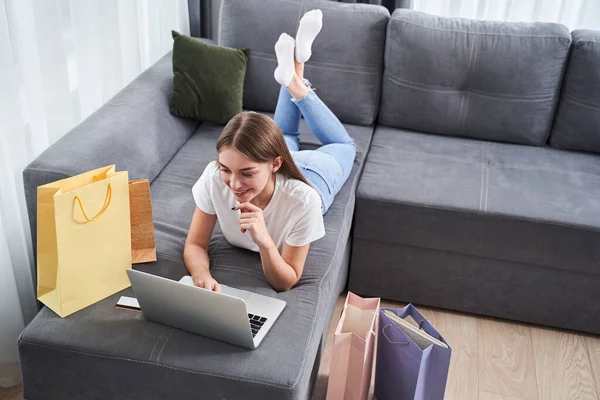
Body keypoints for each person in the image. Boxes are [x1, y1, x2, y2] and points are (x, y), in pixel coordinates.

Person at [183, 9, 356, 292]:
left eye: (246, 173)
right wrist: (201, 275)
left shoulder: (304, 201)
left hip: (315, 173)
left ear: (275, 164)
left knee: (346, 146)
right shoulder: (215, 177)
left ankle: (295, 83)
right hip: (275, 165)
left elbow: (287, 280)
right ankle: (293, 72)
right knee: (284, 134)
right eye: (226, 169)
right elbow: (194, 244)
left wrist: (264, 240)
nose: (234, 184)